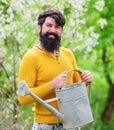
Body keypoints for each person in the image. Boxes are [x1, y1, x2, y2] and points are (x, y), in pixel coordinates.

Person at [18, 8, 93, 130]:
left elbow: (76, 88)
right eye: (48, 25)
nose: (52, 30)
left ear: (61, 31)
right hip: (45, 126)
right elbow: (23, 98)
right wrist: (51, 85)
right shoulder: (30, 58)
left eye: (57, 27)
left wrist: (85, 82)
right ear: (39, 27)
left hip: (72, 124)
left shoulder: (68, 54)